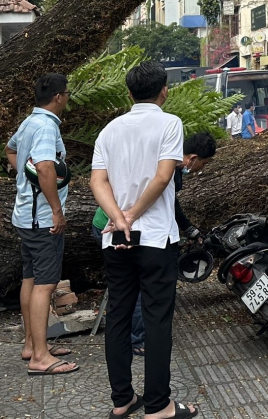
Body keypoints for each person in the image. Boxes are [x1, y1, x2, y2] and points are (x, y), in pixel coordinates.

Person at [90, 61, 197, 419]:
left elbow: (97, 182)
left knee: (118, 317)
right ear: (164, 90)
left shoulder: (109, 130)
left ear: (129, 92)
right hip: (154, 237)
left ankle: (122, 400)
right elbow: (164, 176)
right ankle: (158, 406)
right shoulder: (169, 123)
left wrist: (118, 217)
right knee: (156, 319)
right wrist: (133, 215)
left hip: (114, 239)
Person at [90, 132, 215, 357]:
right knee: (136, 286)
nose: (201, 169)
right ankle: (137, 339)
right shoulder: (171, 168)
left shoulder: (161, 158)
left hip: (118, 221)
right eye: (203, 164)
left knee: (131, 286)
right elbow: (170, 206)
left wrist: (188, 228)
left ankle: (129, 336)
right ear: (193, 158)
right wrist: (187, 229)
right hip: (114, 225)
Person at [5, 73, 78, 376]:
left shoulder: (28, 123)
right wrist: (56, 210)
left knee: (31, 279)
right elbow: (46, 167)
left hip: (26, 215)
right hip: (41, 220)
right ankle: (40, 357)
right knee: (44, 284)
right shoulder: (46, 126)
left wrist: (25, 176)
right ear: (59, 97)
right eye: (67, 94)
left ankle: (32, 344)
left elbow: (10, 150)